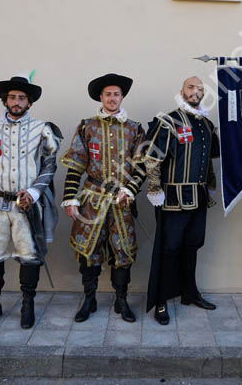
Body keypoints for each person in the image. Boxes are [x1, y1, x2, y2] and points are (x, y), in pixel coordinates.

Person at [0, 73, 61, 329]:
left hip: (27, 204)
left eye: (21, 98)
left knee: (30, 255)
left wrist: (35, 192)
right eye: (12, 97)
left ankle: (27, 304)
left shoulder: (43, 130)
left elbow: (50, 166)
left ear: (29, 102)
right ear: (5, 100)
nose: (17, 102)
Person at [61, 73, 145, 323]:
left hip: (122, 201)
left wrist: (129, 190)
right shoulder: (87, 126)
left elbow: (142, 166)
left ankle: (121, 300)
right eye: (108, 94)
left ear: (122, 97)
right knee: (89, 252)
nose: (112, 98)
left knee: (124, 251)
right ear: (101, 97)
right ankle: (89, 299)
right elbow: (75, 165)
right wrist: (70, 198)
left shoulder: (134, 129)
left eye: (116, 94)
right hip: (92, 199)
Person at [143, 76, 220, 325]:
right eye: (191, 88)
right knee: (169, 249)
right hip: (172, 199)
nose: (195, 92)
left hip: (198, 198)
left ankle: (189, 292)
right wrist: (155, 189)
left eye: (199, 89)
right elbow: (152, 158)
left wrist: (210, 186)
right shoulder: (168, 121)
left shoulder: (206, 124)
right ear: (182, 91)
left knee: (192, 245)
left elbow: (209, 159)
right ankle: (162, 300)